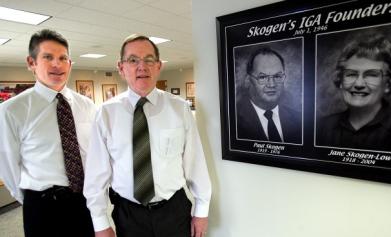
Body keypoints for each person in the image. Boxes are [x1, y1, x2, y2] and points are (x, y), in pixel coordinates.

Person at [83, 35, 212, 237]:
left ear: (158, 66)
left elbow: (196, 165)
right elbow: (96, 175)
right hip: (129, 214)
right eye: (133, 60)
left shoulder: (180, 109)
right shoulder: (106, 114)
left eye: (149, 60)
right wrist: (100, 223)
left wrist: (202, 210)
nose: (142, 66)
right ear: (121, 67)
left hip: (174, 212)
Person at [0, 29, 96, 236]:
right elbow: (7, 165)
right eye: (48, 57)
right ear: (31, 62)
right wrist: (33, 199)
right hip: (43, 207)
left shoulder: (87, 106)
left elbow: (94, 154)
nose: (57, 64)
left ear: (70, 63)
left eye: (63, 58)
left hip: (84, 202)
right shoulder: (12, 110)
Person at [317, 34, 391, 151]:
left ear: (389, 83)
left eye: (372, 75)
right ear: (340, 80)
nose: (359, 84)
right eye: (351, 74)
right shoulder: (321, 127)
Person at [236, 46, 302, 144]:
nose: (271, 84)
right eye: (262, 77)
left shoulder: (299, 120)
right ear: (248, 80)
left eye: (277, 76)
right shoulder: (234, 121)